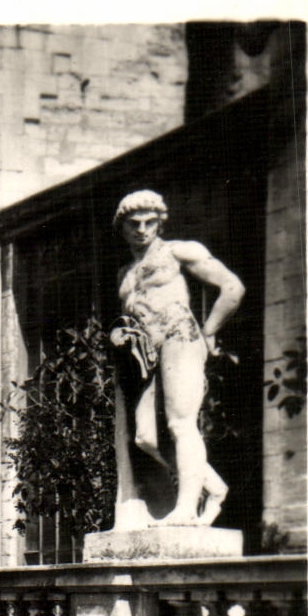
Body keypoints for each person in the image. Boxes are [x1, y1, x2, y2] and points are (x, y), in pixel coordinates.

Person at [111, 190, 245, 526]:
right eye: (134, 224)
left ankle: (186, 510)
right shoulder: (124, 274)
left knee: (181, 424)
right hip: (146, 354)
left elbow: (232, 287)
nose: (142, 229)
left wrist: (210, 330)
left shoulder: (178, 251)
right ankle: (214, 487)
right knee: (145, 437)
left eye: (149, 222)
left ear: (159, 223)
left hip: (178, 335)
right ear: (122, 227)